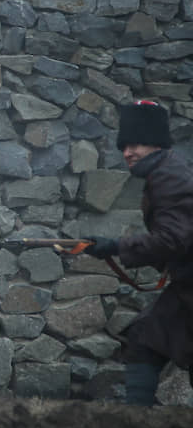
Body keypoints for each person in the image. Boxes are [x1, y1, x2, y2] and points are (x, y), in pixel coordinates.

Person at [85, 100, 193, 406]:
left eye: (137, 144)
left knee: (147, 337)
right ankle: (136, 418)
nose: (128, 152)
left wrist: (117, 246)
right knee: (146, 337)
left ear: (156, 144)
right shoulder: (166, 171)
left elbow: (172, 239)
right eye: (124, 145)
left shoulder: (169, 176)